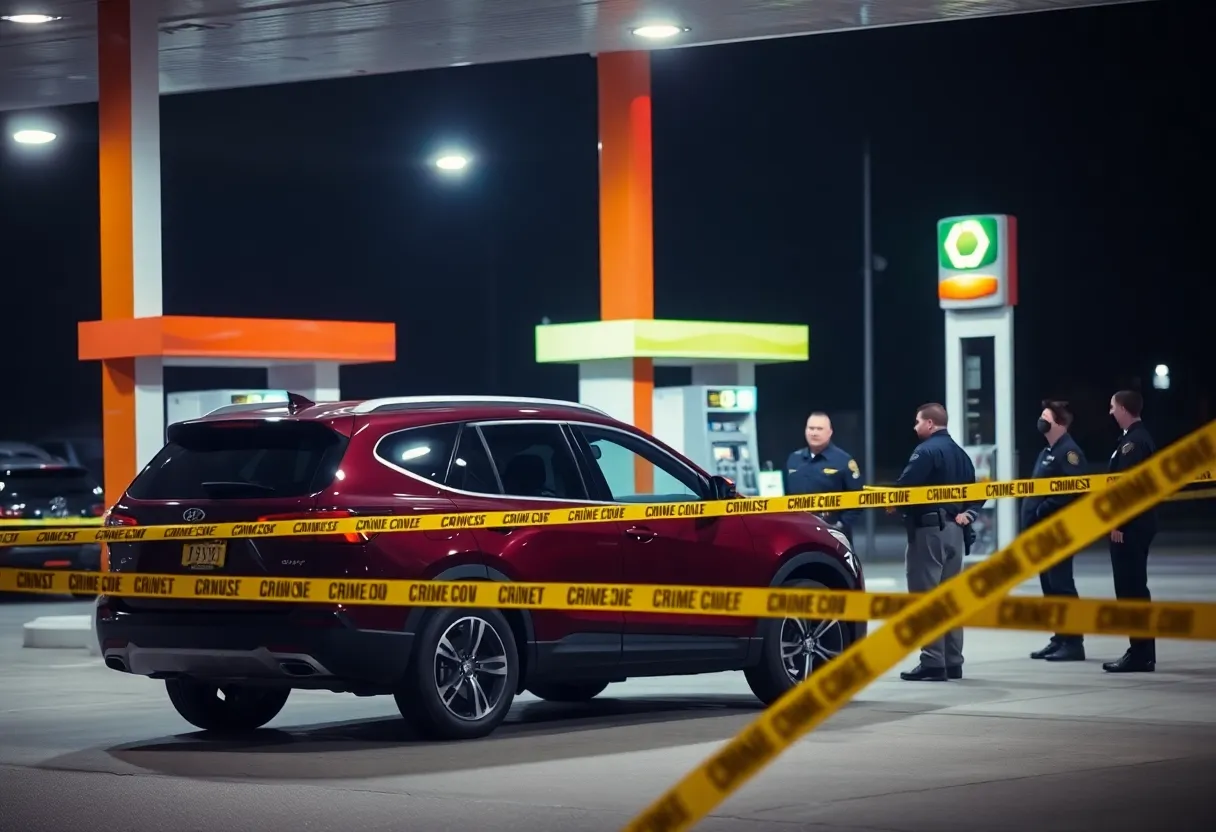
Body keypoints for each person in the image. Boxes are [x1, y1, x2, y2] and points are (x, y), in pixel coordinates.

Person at [892, 403, 983, 682]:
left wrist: (890, 501)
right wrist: (968, 513)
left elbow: (906, 487)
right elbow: (978, 492)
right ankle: (953, 661)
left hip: (929, 533)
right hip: (955, 531)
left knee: (926, 597)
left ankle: (933, 662)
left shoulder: (926, 451)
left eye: (918, 422)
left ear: (930, 423)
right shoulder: (961, 454)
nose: (915, 427)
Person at [1022, 400, 1089, 662]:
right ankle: (1059, 637)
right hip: (1042, 534)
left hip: (1058, 532)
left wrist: (1043, 509)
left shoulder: (1069, 453)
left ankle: (1074, 643)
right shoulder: (1047, 452)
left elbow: (1075, 489)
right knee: (1049, 587)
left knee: (1062, 586)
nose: (1041, 419)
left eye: (1045, 416)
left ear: (1059, 423)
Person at [1104, 389, 1158, 673]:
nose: (1110, 411)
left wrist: (1119, 523)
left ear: (1124, 408)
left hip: (1131, 527)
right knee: (1133, 588)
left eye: (1113, 406)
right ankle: (1141, 651)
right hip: (1137, 524)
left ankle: (1140, 653)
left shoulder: (1133, 444)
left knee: (1131, 590)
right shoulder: (1134, 439)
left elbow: (1129, 489)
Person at [784, 411, 864, 546]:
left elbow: (858, 500)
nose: (814, 433)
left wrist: (840, 525)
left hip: (833, 535)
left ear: (830, 432)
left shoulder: (843, 461)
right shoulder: (794, 459)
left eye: (819, 429)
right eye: (811, 428)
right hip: (798, 533)